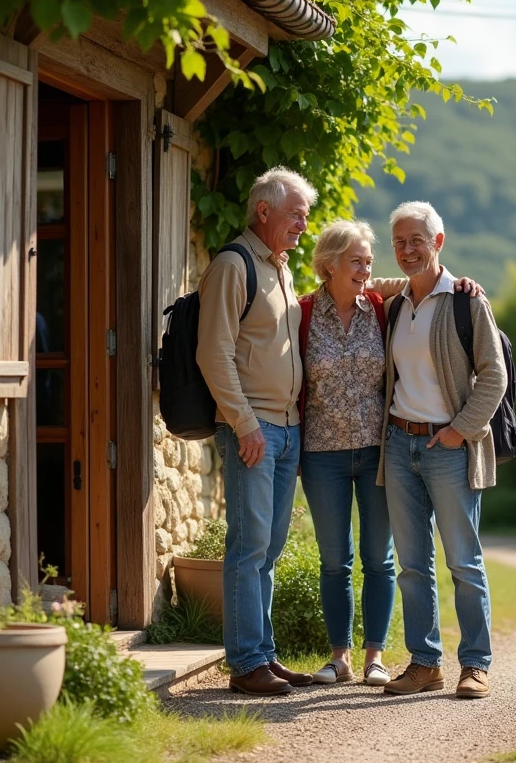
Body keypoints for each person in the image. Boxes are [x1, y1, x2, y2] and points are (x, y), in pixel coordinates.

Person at [298, 219, 484, 688]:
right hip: (345, 451)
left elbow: (426, 275)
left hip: (400, 449)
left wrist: (463, 281)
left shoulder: (394, 305)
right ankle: (367, 660)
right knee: (361, 561)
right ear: (330, 265)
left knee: (415, 560)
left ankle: (424, 662)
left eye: (368, 261)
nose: (366, 268)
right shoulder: (308, 312)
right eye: (356, 261)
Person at [377, 201, 507, 699]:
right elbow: (372, 284)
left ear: (439, 241)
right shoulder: (395, 304)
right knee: (411, 563)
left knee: (463, 562)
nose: (408, 250)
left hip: (449, 446)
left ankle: (475, 665)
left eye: (417, 240)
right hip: (399, 444)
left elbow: (493, 375)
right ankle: (424, 663)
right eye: (400, 242)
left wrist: (460, 429)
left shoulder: (467, 302)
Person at [195, 166, 316, 697]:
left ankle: (262, 653)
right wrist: (244, 424)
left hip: (286, 429)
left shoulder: (282, 268)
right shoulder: (233, 264)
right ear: (263, 211)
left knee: (269, 548)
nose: (303, 225)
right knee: (249, 547)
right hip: (255, 429)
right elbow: (213, 352)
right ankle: (245, 664)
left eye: (306, 217)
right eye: (296, 214)